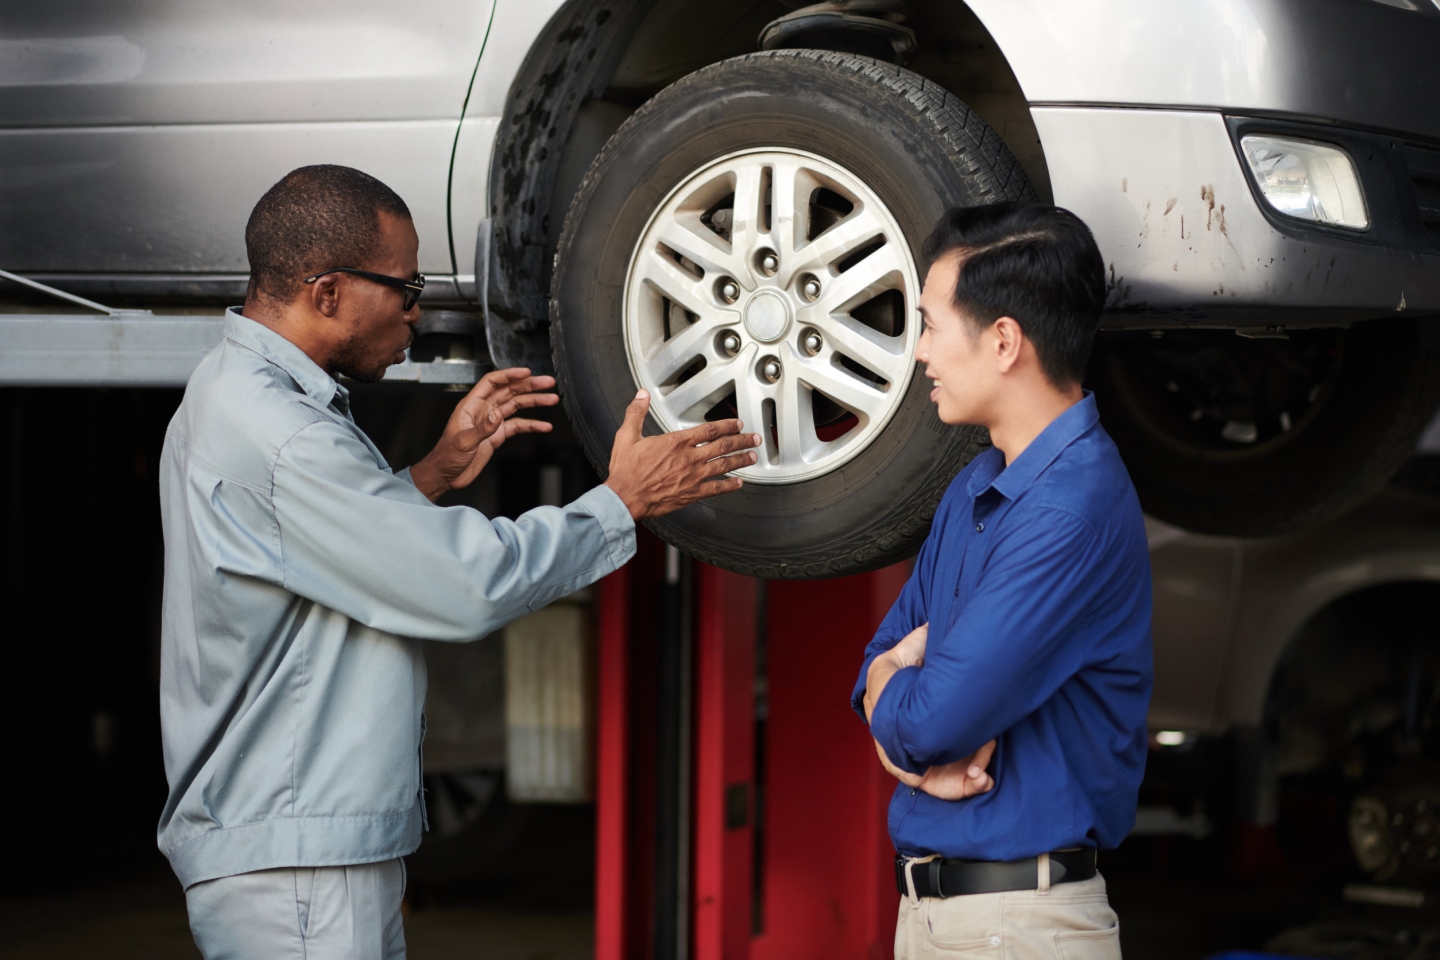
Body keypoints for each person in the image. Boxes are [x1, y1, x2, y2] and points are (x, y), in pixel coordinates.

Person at [158, 164, 760, 959]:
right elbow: (468, 583)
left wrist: (432, 474)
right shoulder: (286, 434)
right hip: (296, 865)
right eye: (404, 289)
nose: (418, 311)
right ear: (327, 290)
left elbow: (309, 555)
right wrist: (622, 502)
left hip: (290, 848)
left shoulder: (232, 391)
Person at [852, 202, 1153, 959]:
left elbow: (930, 723)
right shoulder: (978, 487)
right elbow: (875, 674)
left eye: (930, 325)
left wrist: (900, 697)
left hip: (1018, 926)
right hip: (945, 917)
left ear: (1004, 341)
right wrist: (896, 693)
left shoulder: (1068, 511)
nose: (919, 352)